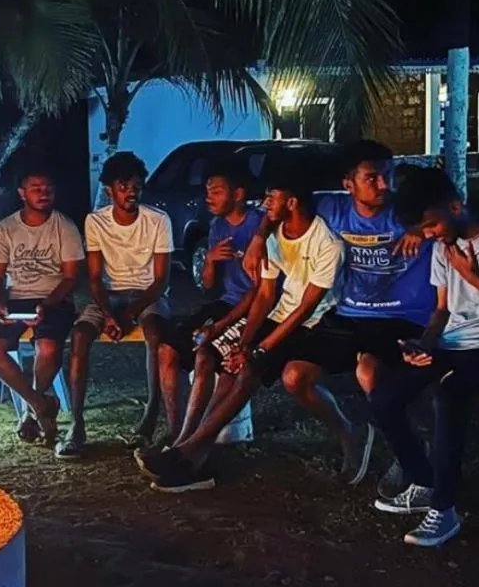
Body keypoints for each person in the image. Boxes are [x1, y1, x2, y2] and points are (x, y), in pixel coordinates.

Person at [137, 166, 370, 492]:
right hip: (283, 313)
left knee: (262, 371)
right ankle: (194, 458)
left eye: (272, 198)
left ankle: (187, 452)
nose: (265, 204)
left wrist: (260, 350)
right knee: (233, 367)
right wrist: (244, 344)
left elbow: (305, 308)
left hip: (321, 322)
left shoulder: (327, 244)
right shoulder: (274, 236)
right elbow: (264, 295)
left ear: (291, 202)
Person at [240, 141, 431, 494]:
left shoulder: (410, 210)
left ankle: (411, 456)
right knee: (295, 376)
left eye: (387, 176)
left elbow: (451, 213)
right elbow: (280, 203)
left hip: (402, 316)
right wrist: (257, 237)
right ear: (348, 184)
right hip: (349, 314)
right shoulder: (331, 208)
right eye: (372, 178)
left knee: (370, 372)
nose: (384, 185)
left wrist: (421, 228)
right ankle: (352, 433)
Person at [368, 167, 479, 547]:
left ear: (454, 205)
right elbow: (442, 309)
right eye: (423, 231)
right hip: (453, 342)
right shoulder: (442, 247)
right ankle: (424, 481)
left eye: (431, 226)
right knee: (385, 393)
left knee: (449, 394)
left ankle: (445, 509)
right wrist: (425, 344)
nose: (429, 235)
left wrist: (473, 277)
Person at [57, 151, 172, 459]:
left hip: (147, 295)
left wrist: (129, 313)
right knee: (80, 336)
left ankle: (149, 417)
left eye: (136, 185)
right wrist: (109, 314)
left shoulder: (158, 220)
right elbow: (94, 278)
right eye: (123, 185)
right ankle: (76, 425)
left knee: (155, 332)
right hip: (110, 294)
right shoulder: (96, 222)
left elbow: (160, 281)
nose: (131, 191)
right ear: (109, 190)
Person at [158, 161, 264, 442]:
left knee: (205, 354)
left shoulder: (259, 226)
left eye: (216, 191)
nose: (208, 197)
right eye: (207, 191)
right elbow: (208, 286)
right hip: (225, 303)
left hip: (254, 310)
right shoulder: (217, 226)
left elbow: (259, 292)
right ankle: (177, 429)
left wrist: (218, 327)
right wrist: (210, 260)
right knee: (167, 350)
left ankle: (196, 437)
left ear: (238, 194)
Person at [0, 166, 84, 445]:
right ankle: (39, 403)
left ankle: (30, 410)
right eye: (36, 188)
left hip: (54, 296)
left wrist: (47, 305)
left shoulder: (66, 226)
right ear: (22, 193)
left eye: (48, 187)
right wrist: (0, 304)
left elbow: (72, 277)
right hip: (15, 297)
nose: (43, 193)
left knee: (48, 347)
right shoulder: (6, 228)